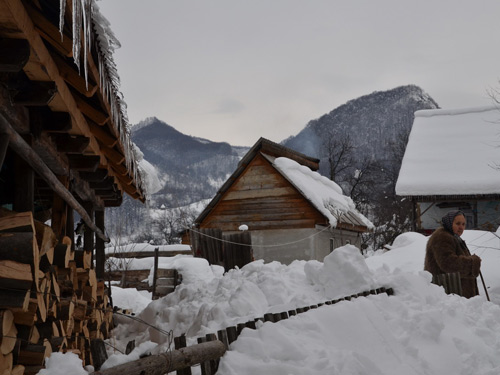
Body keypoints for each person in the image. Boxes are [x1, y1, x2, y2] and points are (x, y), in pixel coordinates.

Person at [424, 210, 481, 298]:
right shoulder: (442, 237)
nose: (461, 227)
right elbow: (448, 263)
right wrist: (472, 263)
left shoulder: (454, 238)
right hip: (449, 294)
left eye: (463, 224)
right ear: (450, 223)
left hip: (455, 293)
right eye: (458, 223)